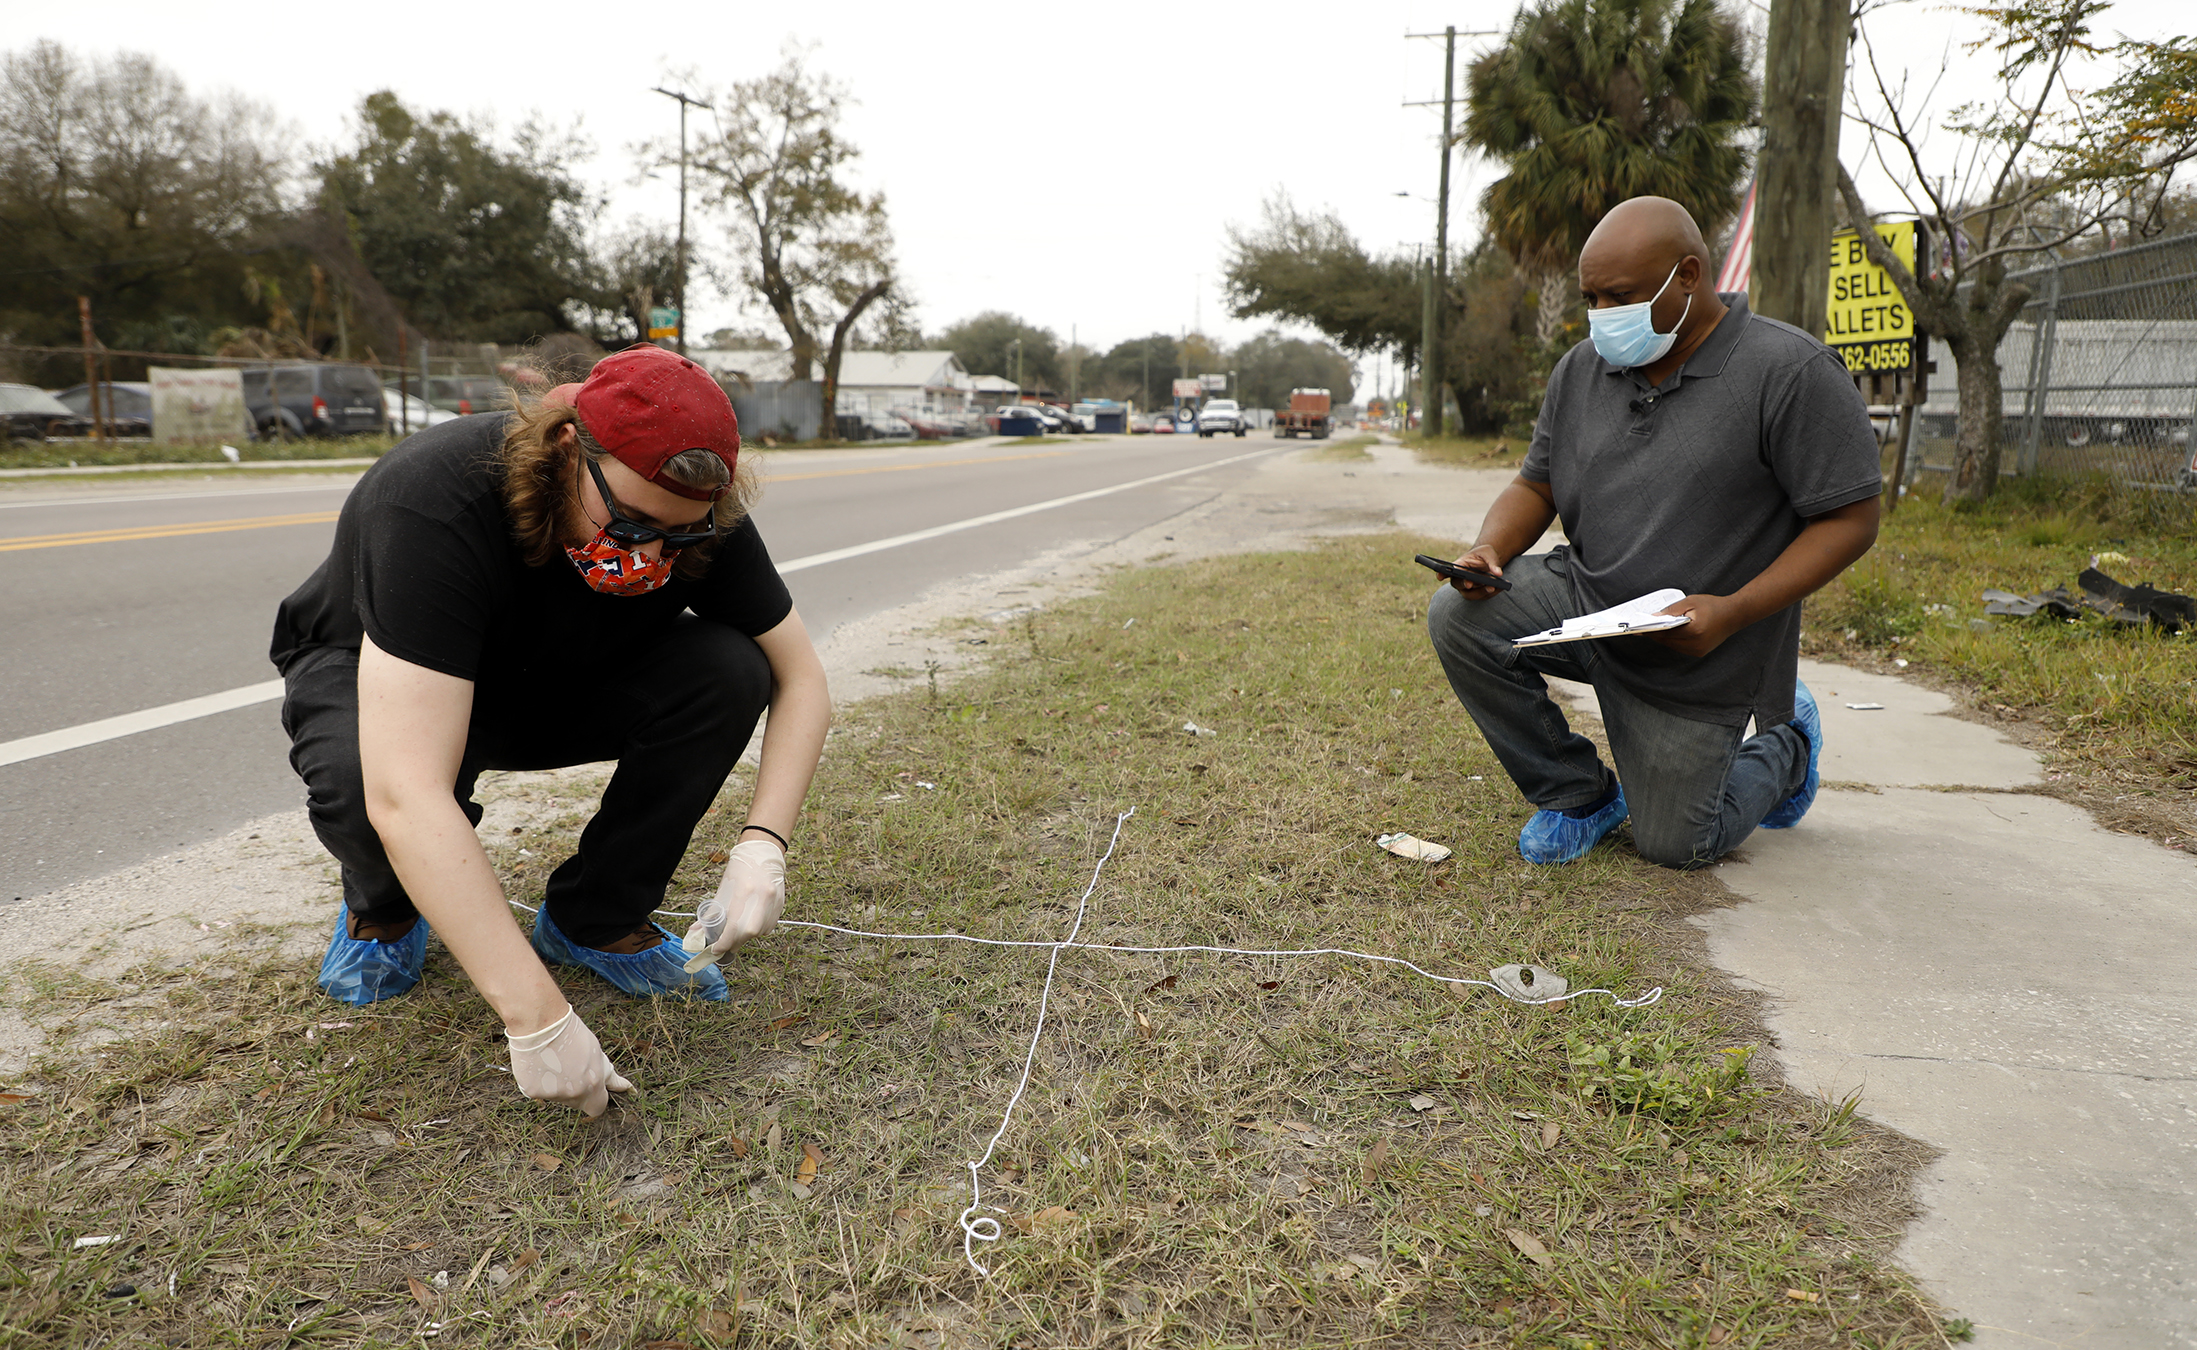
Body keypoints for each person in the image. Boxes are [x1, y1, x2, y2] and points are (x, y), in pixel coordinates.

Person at [270, 344, 830, 1116]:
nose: (654, 556)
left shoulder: (694, 510)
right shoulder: (432, 498)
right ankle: (385, 908)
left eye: (682, 538)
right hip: (389, 675)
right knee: (370, 782)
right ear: (569, 449)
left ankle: (593, 917)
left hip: (552, 675)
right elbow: (406, 791)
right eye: (632, 525)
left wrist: (763, 845)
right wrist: (536, 1020)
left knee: (731, 668)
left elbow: (800, 676)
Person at [1427, 196, 1881, 870]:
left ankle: (1786, 744)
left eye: (1620, 296)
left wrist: (1734, 613)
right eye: (1591, 297)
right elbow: (1535, 483)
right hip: (1586, 604)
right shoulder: (1579, 370)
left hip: (1701, 647)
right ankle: (1580, 795)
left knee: (1676, 844)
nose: (1603, 315)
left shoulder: (1789, 372)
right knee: (1459, 617)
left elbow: (1850, 520)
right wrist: (1492, 548)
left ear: (1689, 274)